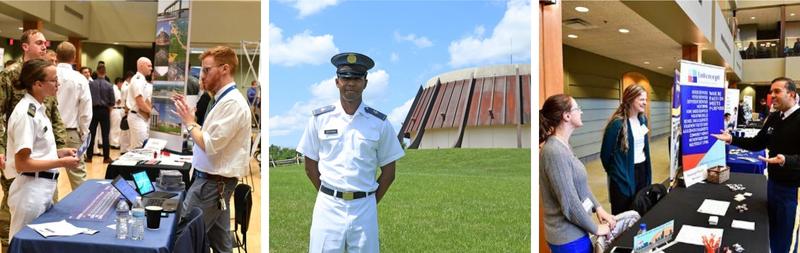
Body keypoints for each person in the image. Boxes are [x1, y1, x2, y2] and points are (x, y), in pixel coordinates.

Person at [297, 52, 405, 252]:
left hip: (365, 208)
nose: (351, 83)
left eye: (356, 78)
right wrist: (329, 193)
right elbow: (310, 166)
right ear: (337, 81)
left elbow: (389, 173)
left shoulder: (379, 123)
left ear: (365, 83)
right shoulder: (320, 119)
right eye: (345, 78)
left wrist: (370, 201)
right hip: (328, 206)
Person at [171, 46, 251, 253]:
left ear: (224, 69)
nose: (202, 76)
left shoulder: (232, 103)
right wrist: (190, 118)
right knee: (220, 243)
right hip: (214, 183)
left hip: (211, 185)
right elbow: (207, 136)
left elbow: (210, 144)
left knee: (182, 240)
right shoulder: (221, 100)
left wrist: (189, 123)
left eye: (207, 70)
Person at [712, 77, 800, 253]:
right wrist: (731, 139)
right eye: (771, 91)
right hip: (772, 183)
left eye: (777, 91)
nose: (772, 96)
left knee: (782, 236)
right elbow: (757, 143)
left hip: (790, 189)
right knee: (770, 227)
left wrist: (785, 160)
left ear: (791, 94)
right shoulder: (775, 117)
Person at [0, 29, 68, 248]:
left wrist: (60, 150)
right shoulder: (24, 106)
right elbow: (22, 161)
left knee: (40, 239)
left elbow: (51, 123)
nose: (44, 46)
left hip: (41, 176)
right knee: (20, 239)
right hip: (27, 177)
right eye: (39, 42)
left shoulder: (39, 102)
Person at [5, 59, 80, 237]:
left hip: (43, 187)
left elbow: (37, 151)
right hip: (30, 190)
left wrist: (60, 153)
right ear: (38, 84)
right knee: (25, 243)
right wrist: (62, 162)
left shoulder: (38, 109)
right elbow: (22, 163)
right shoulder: (26, 113)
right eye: (53, 80)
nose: (58, 84)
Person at [540, 93, 615, 252]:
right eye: (577, 108)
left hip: (577, 231)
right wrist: (596, 228)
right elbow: (569, 203)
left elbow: (580, 186)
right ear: (566, 116)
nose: (581, 112)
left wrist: (598, 208)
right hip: (567, 238)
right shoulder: (554, 151)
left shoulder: (564, 146)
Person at [600, 84, 652, 215]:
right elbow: (605, 155)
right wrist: (617, 173)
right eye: (641, 99)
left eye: (646, 99)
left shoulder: (643, 119)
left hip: (642, 170)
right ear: (630, 99)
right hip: (624, 175)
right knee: (624, 213)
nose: (645, 103)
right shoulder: (617, 124)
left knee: (641, 209)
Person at [54, 41, 92, 189]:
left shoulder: (47, 74)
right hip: (70, 131)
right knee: (78, 175)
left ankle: (50, 209)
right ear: (74, 58)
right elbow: (85, 110)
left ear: (56, 56)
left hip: (48, 132)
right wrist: (84, 132)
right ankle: (82, 208)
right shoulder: (80, 79)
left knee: (48, 175)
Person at [87, 64, 115, 163]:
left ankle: (89, 157)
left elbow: (88, 99)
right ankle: (106, 157)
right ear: (105, 72)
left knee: (91, 134)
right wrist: (109, 111)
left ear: (97, 72)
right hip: (105, 110)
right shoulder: (109, 85)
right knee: (105, 135)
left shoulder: (90, 84)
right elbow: (112, 101)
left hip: (93, 110)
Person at [126, 57, 153, 149]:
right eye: (149, 66)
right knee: (139, 147)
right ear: (141, 66)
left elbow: (146, 99)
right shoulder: (137, 79)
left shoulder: (142, 80)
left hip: (142, 117)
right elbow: (140, 102)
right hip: (137, 116)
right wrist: (152, 113)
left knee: (143, 146)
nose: (151, 68)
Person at [110, 77, 124, 149]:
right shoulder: (116, 90)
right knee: (116, 128)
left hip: (113, 110)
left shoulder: (113, 88)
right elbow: (118, 101)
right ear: (119, 83)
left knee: (113, 127)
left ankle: (113, 142)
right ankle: (115, 143)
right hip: (116, 109)